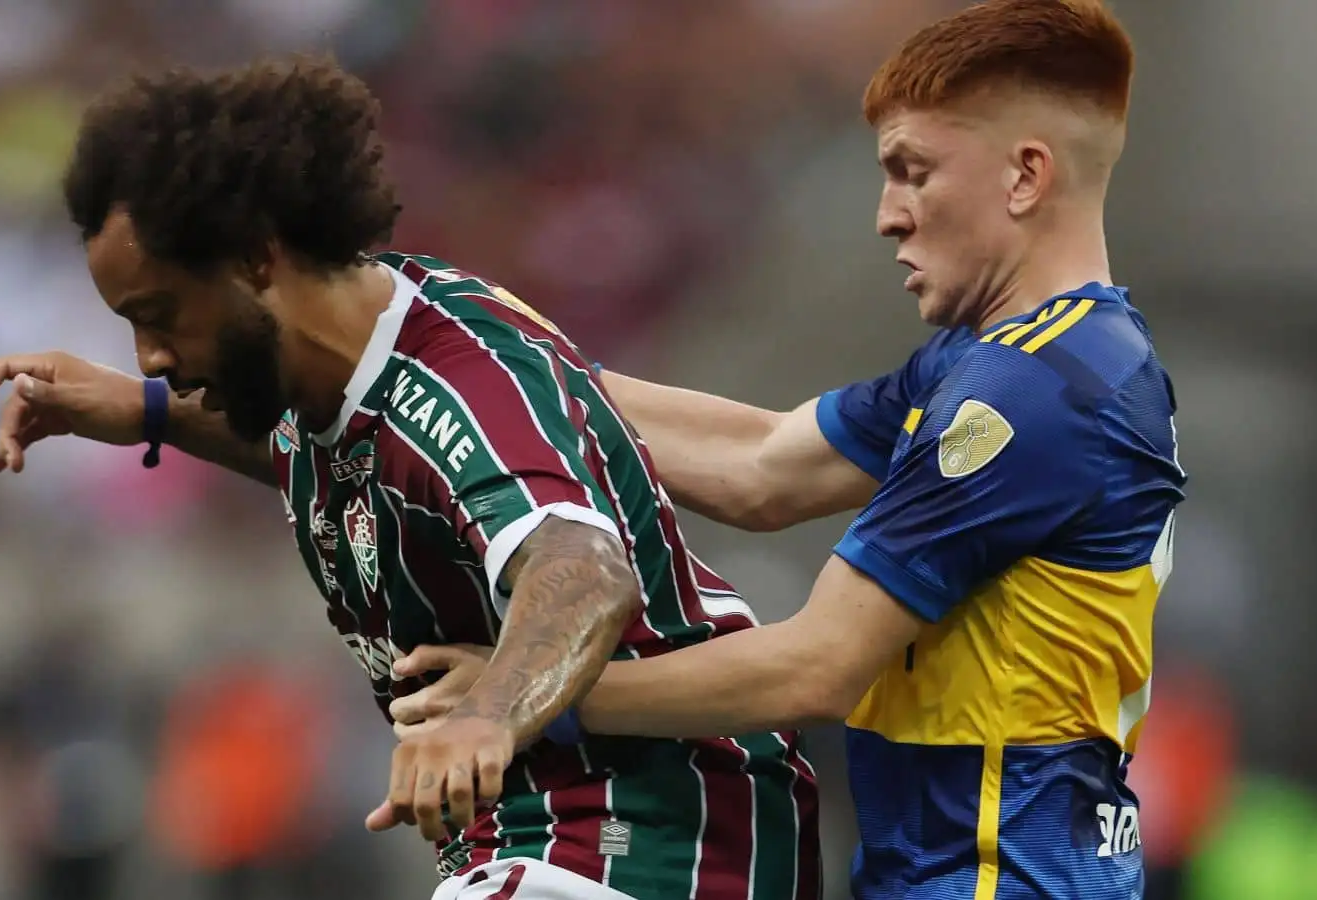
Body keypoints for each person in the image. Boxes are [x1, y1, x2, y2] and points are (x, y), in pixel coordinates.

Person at [0, 58, 819, 900]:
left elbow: (583, 571)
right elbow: (348, 456)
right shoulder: (337, 365)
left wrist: (486, 718)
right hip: (542, 837)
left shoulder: (457, 383)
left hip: (652, 832)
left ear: (257, 260)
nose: (150, 356)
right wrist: (151, 412)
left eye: (159, 317)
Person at [389, 1, 1186, 898]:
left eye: (913, 172)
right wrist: (501, 367)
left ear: (1025, 176)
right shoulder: (1016, 362)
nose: (888, 215)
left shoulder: (1035, 392)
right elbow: (762, 466)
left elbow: (816, 666)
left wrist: (526, 695)